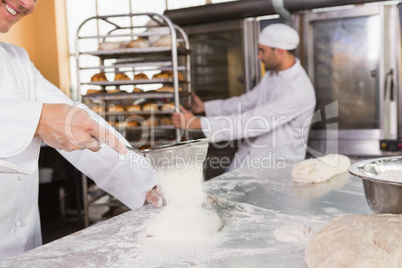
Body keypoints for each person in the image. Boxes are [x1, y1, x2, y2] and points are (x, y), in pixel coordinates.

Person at [0, 0, 160, 261]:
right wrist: (36, 119)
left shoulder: (18, 61)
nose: (28, 4)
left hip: (26, 250)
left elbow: (79, 123)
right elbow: (42, 118)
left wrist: (150, 184)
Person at [172, 23, 316, 171]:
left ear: (279, 51)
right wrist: (205, 107)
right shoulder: (273, 75)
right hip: (250, 158)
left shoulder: (297, 90)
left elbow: (254, 121)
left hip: (275, 167)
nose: (259, 56)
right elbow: (246, 102)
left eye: (262, 51)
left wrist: (198, 123)